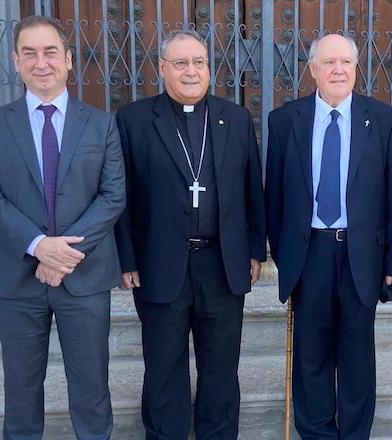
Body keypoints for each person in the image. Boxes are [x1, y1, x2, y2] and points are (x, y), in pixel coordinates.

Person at [0, 15, 125, 440]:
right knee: (20, 393)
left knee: (92, 389)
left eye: (50, 52)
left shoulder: (101, 123)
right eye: (30, 53)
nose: (42, 63)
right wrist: (39, 245)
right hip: (18, 280)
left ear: (69, 60)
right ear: (16, 62)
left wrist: (62, 255)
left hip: (85, 278)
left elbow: (113, 196)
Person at [114, 29, 266, 439]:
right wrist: (126, 259)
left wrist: (255, 250)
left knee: (221, 368)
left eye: (198, 62)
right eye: (180, 63)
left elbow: (253, 188)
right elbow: (122, 195)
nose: (191, 71)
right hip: (160, 264)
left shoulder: (234, 117)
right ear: (162, 69)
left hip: (222, 264)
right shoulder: (134, 120)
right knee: (164, 369)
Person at [265, 33, 392, 439]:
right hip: (309, 254)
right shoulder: (284, 120)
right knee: (311, 357)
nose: (338, 70)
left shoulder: (383, 120)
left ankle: (355, 433)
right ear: (313, 70)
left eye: (346, 62)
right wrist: (283, 254)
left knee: (356, 358)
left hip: (361, 255)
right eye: (328, 63)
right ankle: (316, 432)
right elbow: (273, 194)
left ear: (356, 67)